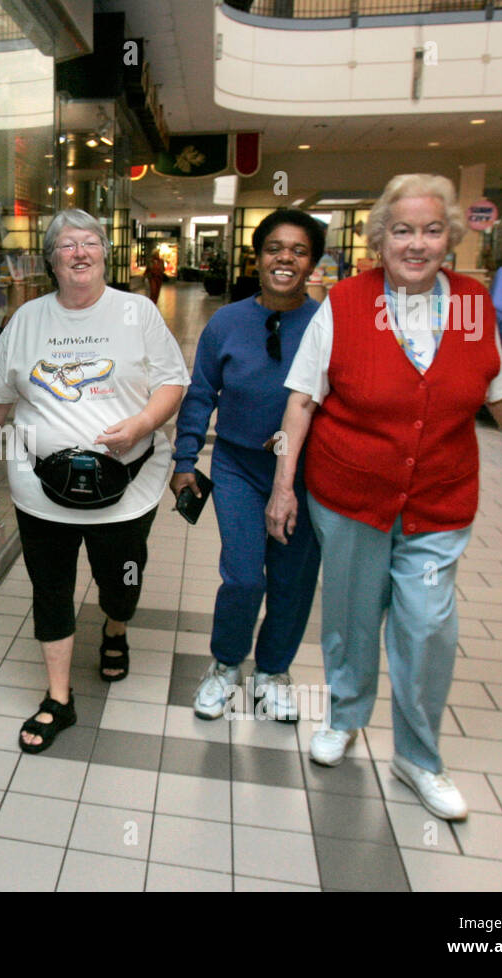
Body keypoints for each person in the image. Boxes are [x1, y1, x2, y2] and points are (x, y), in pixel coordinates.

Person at [266, 174, 502, 821]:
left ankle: (419, 757)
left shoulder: (474, 303)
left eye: (430, 230)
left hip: (437, 501)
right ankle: (345, 715)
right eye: (402, 230)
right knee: (352, 617)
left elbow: (498, 387)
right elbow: (302, 398)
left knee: (426, 627)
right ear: (379, 238)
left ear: (450, 236)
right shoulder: (344, 302)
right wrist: (284, 486)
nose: (416, 244)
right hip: (349, 495)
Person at [0, 208, 189, 753]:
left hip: (129, 487)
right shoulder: (27, 319)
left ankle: (116, 626)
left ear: (105, 253)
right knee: (51, 588)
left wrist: (140, 423)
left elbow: (172, 383)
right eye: (67, 245)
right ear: (51, 259)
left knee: (122, 581)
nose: (80, 253)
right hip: (41, 491)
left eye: (90, 242)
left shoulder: (137, 312)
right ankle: (59, 699)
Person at [172, 209, 324, 722]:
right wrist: (186, 457)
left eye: (299, 250)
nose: (286, 258)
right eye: (274, 248)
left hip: (304, 473)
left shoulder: (328, 325)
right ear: (257, 258)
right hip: (238, 464)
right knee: (242, 576)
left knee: (292, 579)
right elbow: (200, 393)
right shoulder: (226, 322)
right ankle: (225, 664)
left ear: (313, 263)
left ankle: (274, 671)